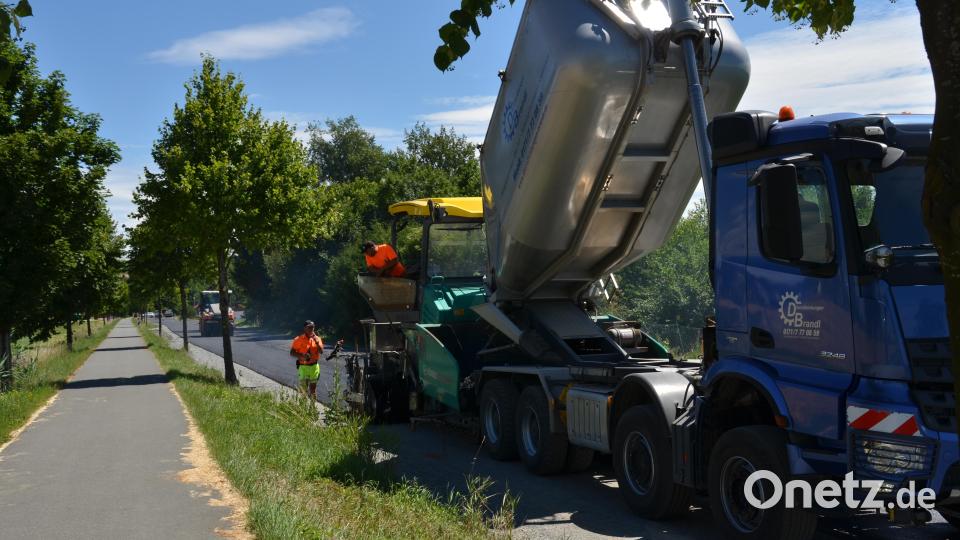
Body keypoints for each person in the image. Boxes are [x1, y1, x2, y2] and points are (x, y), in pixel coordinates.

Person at [289, 320, 324, 398]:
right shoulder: (298, 339)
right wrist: (301, 355)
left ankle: (312, 408)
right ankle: (303, 408)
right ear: (304, 328)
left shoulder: (317, 338)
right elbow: (292, 352)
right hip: (303, 366)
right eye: (309, 327)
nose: (311, 329)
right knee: (303, 390)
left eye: (312, 327)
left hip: (314, 367)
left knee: (313, 390)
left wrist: (317, 341)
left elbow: (321, 351)